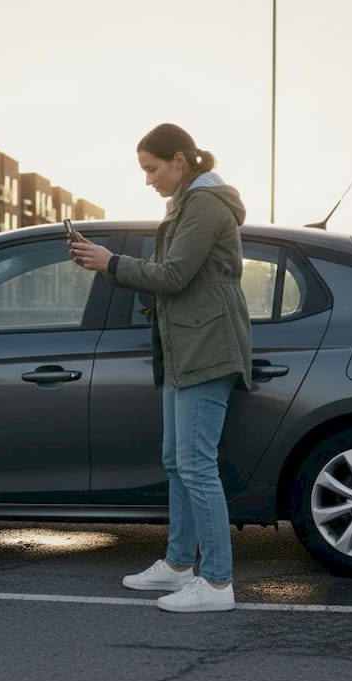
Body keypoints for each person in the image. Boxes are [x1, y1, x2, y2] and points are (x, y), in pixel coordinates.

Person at [68, 123, 252, 613]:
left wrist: (110, 263)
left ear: (180, 159)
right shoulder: (184, 206)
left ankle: (216, 584)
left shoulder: (207, 205)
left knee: (196, 464)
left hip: (207, 350)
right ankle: (176, 565)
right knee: (177, 461)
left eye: (152, 168)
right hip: (183, 350)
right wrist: (106, 264)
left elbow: (172, 276)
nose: (148, 179)